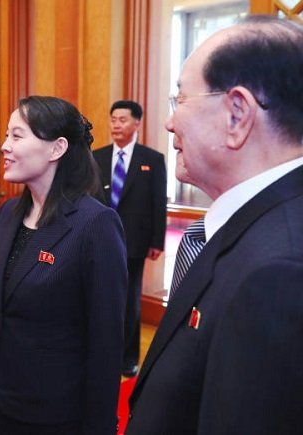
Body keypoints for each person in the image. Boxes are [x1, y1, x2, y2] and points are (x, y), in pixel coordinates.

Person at [126, 16, 303, 435]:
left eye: (180, 99)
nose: (169, 122)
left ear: (237, 114)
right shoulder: (257, 224)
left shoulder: (279, 273)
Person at [0, 95, 128, 434]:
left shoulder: (94, 225)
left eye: (17, 136)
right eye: (6, 136)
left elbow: (106, 343)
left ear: (56, 148)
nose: (4, 147)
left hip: (59, 412)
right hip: (5, 398)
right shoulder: (9, 213)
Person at [93, 100, 167, 378]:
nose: (116, 125)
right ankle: (102, 354)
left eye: (122, 120)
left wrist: (157, 240)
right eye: (113, 119)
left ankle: (128, 359)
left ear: (137, 123)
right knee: (101, 297)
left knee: (129, 301)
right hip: (101, 239)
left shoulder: (152, 160)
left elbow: (158, 203)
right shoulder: (97, 157)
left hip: (134, 242)